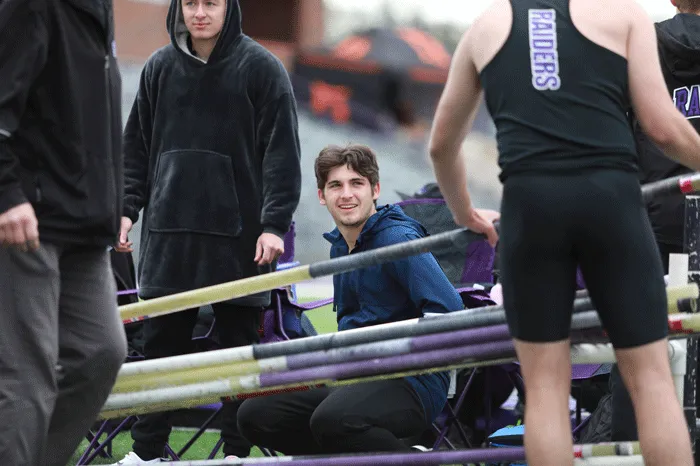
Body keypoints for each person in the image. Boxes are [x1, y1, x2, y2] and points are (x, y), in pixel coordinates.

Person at [427, 0, 700, 465]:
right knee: (652, 378)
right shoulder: (624, 16)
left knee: (547, 386)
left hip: (529, 206)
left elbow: (440, 145)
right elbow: (662, 127)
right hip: (610, 199)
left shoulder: (486, 26)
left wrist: (464, 212)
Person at [111, 0, 302, 464]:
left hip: (238, 244)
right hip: (168, 239)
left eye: (210, 2)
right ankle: (147, 453)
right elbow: (134, 145)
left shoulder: (262, 68)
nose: (200, 12)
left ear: (228, 7)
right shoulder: (159, 67)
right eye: (191, 2)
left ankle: (236, 454)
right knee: (160, 355)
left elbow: (282, 152)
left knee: (236, 356)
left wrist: (274, 225)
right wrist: (125, 209)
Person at [237, 144, 497, 454]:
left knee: (333, 419)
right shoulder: (338, 247)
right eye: (336, 185)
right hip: (356, 377)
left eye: (356, 183)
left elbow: (449, 308)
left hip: (412, 380)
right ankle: (381, 454)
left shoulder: (396, 238)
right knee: (256, 416)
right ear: (322, 196)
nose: (346, 194)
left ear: (374, 190)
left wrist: (402, 356)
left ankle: (414, 461)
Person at [0, 1, 128, 465]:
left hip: (86, 225)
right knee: (26, 378)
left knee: (102, 353)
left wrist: (112, 203)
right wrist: (7, 195)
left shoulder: (100, 9)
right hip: (28, 220)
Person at [610, 0, 700, 442]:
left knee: (642, 353)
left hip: (652, 218)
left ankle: (637, 448)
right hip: (665, 215)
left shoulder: (639, 44)